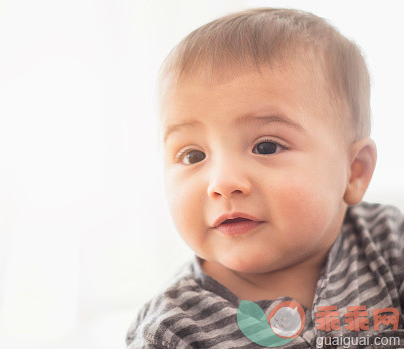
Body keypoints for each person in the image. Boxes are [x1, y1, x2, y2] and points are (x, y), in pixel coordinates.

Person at [126, 8, 404, 348]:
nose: (223, 182)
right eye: (193, 156)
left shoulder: (389, 243)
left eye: (267, 147)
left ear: (354, 171)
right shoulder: (173, 330)